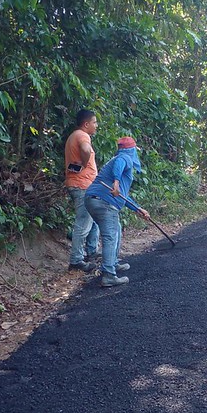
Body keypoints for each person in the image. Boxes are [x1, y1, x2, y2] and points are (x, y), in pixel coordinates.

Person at [84, 137, 150, 287]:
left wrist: (138, 209)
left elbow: (122, 196)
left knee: (116, 230)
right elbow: (119, 167)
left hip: (92, 200)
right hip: (104, 202)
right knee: (110, 236)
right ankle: (109, 275)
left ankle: (112, 263)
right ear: (131, 149)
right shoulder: (123, 158)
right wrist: (116, 181)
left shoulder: (116, 159)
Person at [64, 109, 100, 272]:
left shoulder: (74, 136)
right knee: (83, 224)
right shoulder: (83, 136)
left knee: (92, 220)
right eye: (94, 122)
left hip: (81, 184)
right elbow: (85, 150)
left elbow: (73, 164)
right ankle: (76, 260)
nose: (96, 125)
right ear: (86, 124)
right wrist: (85, 164)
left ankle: (91, 252)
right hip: (82, 186)